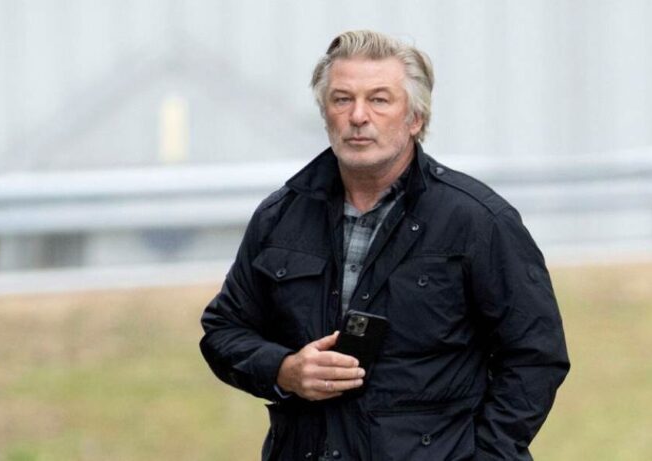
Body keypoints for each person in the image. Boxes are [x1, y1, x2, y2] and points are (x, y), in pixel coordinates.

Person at [200, 30, 569, 461]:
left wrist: (486, 455)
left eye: (379, 100)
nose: (358, 116)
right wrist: (284, 370)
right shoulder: (280, 217)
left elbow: (535, 356)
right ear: (325, 113)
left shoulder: (478, 221)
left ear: (415, 118)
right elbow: (224, 331)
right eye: (342, 99)